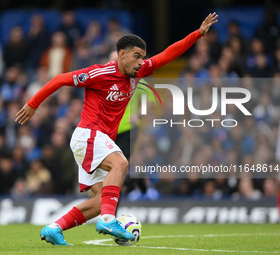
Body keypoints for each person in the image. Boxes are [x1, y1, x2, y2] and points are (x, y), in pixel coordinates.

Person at [15, 13, 218, 246]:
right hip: (88, 134)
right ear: (122, 54)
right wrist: (32, 105)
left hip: (95, 140)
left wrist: (197, 34)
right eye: (136, 56)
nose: (141, 62)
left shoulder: (139, 72)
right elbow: (60, 79)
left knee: (102, 200)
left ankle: (55, 228)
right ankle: (109, 220)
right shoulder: (99, 74)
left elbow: (168, 54)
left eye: (143, 57)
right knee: (121, 163)